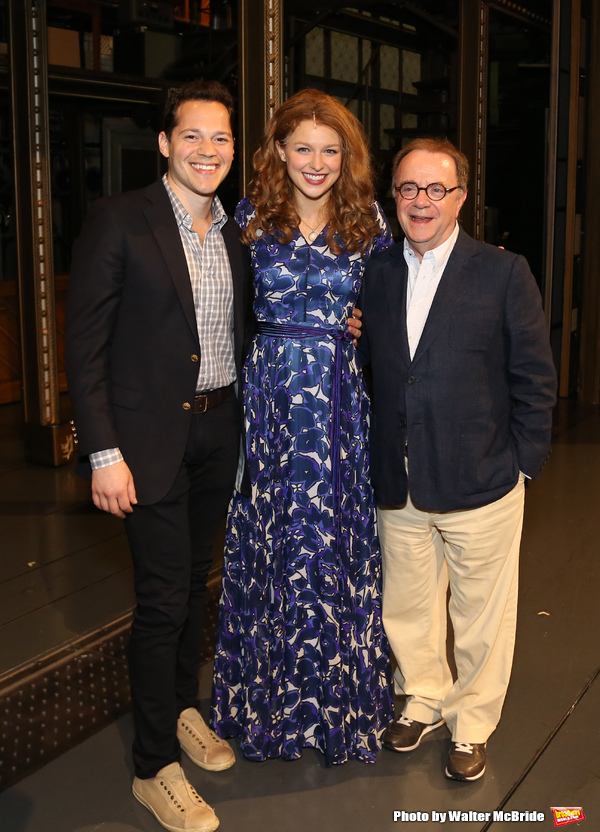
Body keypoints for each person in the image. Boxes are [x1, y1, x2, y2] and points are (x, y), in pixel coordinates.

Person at [65, 80, 253, 832]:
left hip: (218, 432)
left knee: (193, 589)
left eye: (222, 139)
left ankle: (181, 711)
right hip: (144, 446)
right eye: (195, 136)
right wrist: (103, 451)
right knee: (163, 599)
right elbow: (85, 349)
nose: (209, 150)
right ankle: (152, 768)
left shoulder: (237, 231)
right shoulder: (121, 221)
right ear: (166, 144)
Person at [358, 137, 557, 781]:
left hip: (483, 478)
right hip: (401, 478)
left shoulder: (502, 272)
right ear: (394, 197)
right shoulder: (377, 272)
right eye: (409, 188)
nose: (421, 201)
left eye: (435, 189)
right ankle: (423, 697)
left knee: (481, 616)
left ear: (461, 198)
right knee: (409, 605)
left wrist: (522, 464)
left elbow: (534, 377)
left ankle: (471, 723)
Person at [211, 89, 394, 765]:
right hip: (271, 404)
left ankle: (338, 708)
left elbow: (391, 308)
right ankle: (271, 708)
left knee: (335, 544)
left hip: (341, 403)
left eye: (330, 149)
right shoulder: (252, 217)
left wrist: (366, 327)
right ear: (279, 153)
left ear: (346, 157)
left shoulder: (368, 219)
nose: (316, 163)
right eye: (303, 148)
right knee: (272, 543)